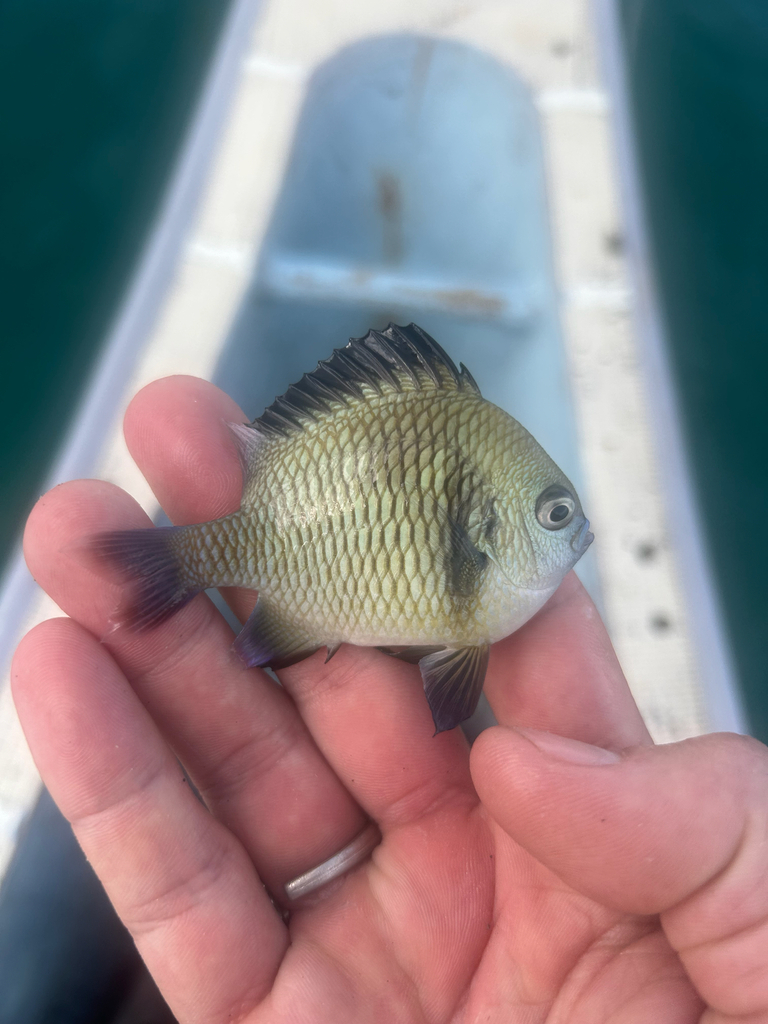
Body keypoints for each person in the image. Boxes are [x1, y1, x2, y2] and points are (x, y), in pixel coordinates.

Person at [11, 374, 767, 1023]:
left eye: (559, 513)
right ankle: (163, 565)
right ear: (489, 530)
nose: (571, 532)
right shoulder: (486, 571)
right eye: (555, 516)